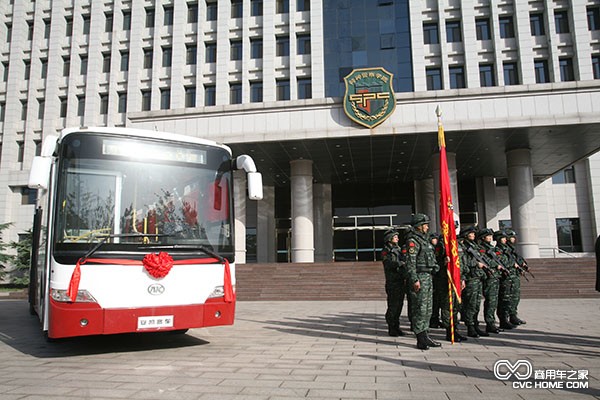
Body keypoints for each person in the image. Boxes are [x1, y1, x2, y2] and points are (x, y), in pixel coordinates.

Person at [406, 213, 441, 350]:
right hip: (420, 277)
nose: (427, 226)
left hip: (428, 276)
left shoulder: (425, 240)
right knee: (419, 308)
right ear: (419, 226)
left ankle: (425, 335)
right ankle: (420, 338)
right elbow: (410, 263)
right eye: (425, 224)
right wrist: (414, 279)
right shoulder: (413, 241)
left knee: (427, 309)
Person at [459, 226, 489, 338]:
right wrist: (476, 264)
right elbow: (464, 262)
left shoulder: (474, 246)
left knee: (476, 304)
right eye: (471, 233)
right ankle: (470, 326)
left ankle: (475, 324)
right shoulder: (464, 246)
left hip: (477, 277)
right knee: (470, 304)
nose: (473, 235)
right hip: (470, 278)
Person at [381, 229, 407, 337]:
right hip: (392, 282)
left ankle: (397, 326)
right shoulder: (386, 251)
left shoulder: (399, 249)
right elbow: (388, 263)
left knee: (399, 305)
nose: (397, 238)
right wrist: (400, 263)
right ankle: (391, 327)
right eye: (395, 237)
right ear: (389, 238)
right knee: (393, 306)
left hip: (400, 280)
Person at [477, 228, 503, 334]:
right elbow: (485, 260)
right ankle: (490, 323)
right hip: (489, 277)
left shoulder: (491, 248)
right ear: (483, 237)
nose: (490, 238)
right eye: (488, 236)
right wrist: (495, 264)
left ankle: (491, 322)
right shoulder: (481, 248)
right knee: (490, 301)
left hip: (495, 276)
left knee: (494, 301)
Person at [494, 230, 516, 329]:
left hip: (510, 277)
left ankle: (508, 317)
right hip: (503, 278)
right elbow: (505, 263)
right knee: (503, 299)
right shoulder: (497, 250)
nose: (505, 240)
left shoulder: (507, 249)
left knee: (509, 299)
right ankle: (503, 319)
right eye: (503, 238)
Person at [506, 229, 527, 326]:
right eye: (512, 237)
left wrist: (523, 264)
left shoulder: (512, 249)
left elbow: (518, 259)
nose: (514, 239)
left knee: (515, 297)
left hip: (515, 275)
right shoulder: (504, 249)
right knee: (508, 298)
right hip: (509, 276)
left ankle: (513, 315)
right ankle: (507, 317)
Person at [429, 233, 446, 329]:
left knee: (438, 300)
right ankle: (433, 320)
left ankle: (437, 319)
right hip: (434, 277)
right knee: (434, 301)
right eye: (433, 239)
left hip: (439, 277)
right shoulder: (435, 248)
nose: (435, 240)